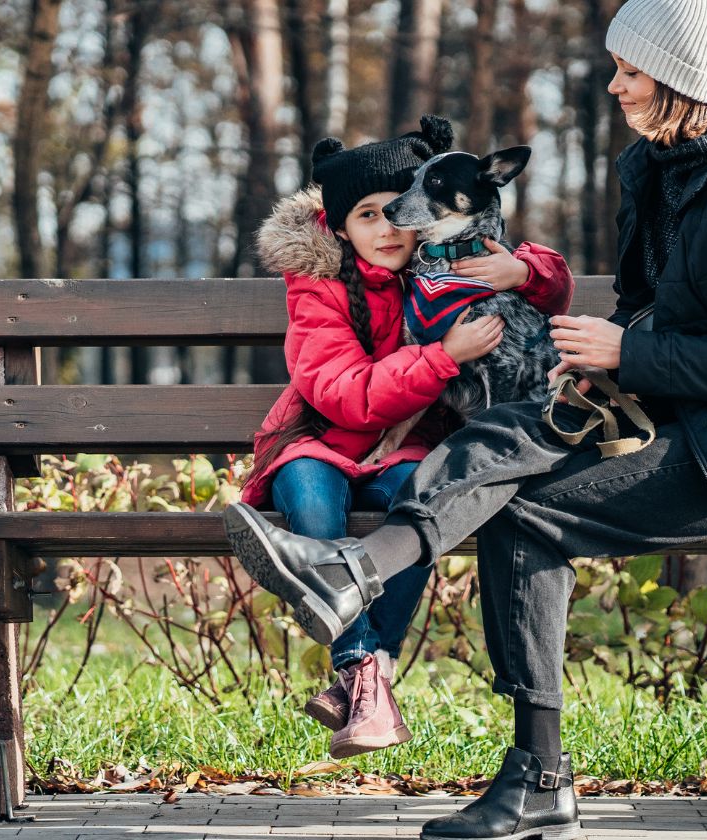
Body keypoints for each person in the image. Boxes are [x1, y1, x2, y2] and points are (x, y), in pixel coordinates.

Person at [227, 0, 707, 835]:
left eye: (630, 71)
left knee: (522, 509)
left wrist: (626, 356)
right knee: (499, 446)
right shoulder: (653, 170)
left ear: (675, 78)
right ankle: (368, 591)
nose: (615, 84)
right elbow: (650, 310)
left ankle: (528, 764)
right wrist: (597, 362)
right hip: (678, 421)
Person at [240, 115, 575, 760]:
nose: (388, 227)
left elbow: (550, 281)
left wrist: (522, 273)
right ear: (337, 227)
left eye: (397, 211)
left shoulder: (442, 265)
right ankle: (367, 670)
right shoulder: (318, 285)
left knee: (420, 500)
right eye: (367, 216)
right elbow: (346, 396)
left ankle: (357, 686)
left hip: (409, 443)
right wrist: (444, 357)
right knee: (310, 496)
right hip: (321, 438)